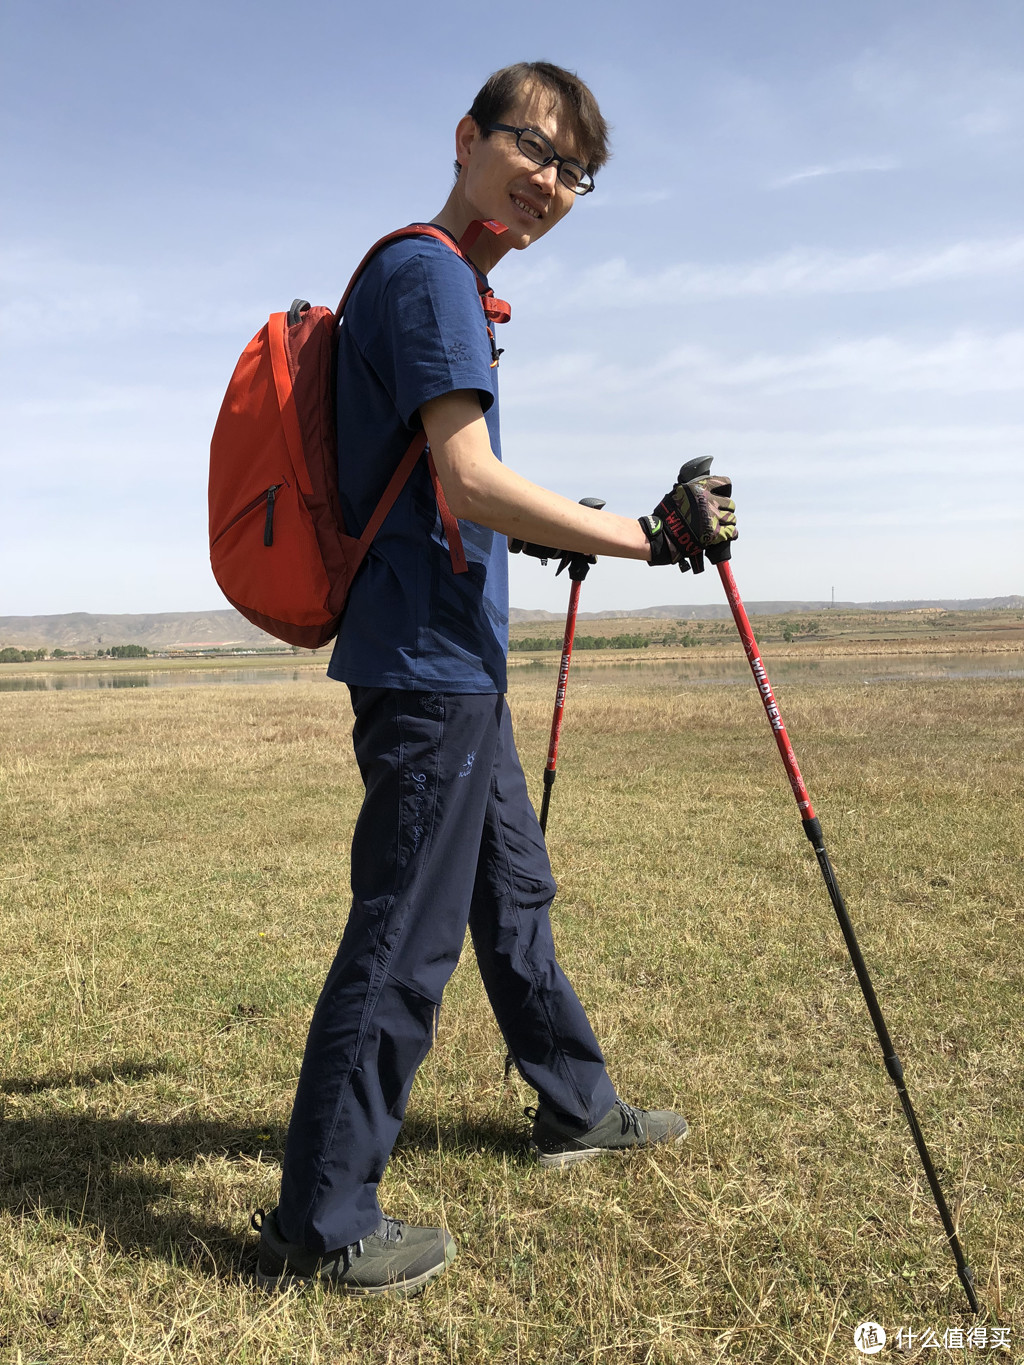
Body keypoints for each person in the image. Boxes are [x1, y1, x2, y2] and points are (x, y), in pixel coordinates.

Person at [252, 59, 736, 1296]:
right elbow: (465, 479)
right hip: (428, 669)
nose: (555, 185)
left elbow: (439, 493)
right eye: (537, 150)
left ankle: (574, 1104)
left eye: (578, 173)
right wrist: (646, 533)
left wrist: (555, 525)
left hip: (452, 657)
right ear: (467, 138)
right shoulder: (429, 275)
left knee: (511, 894)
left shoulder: (442, 279)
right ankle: (321, 1218)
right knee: (405, 933)